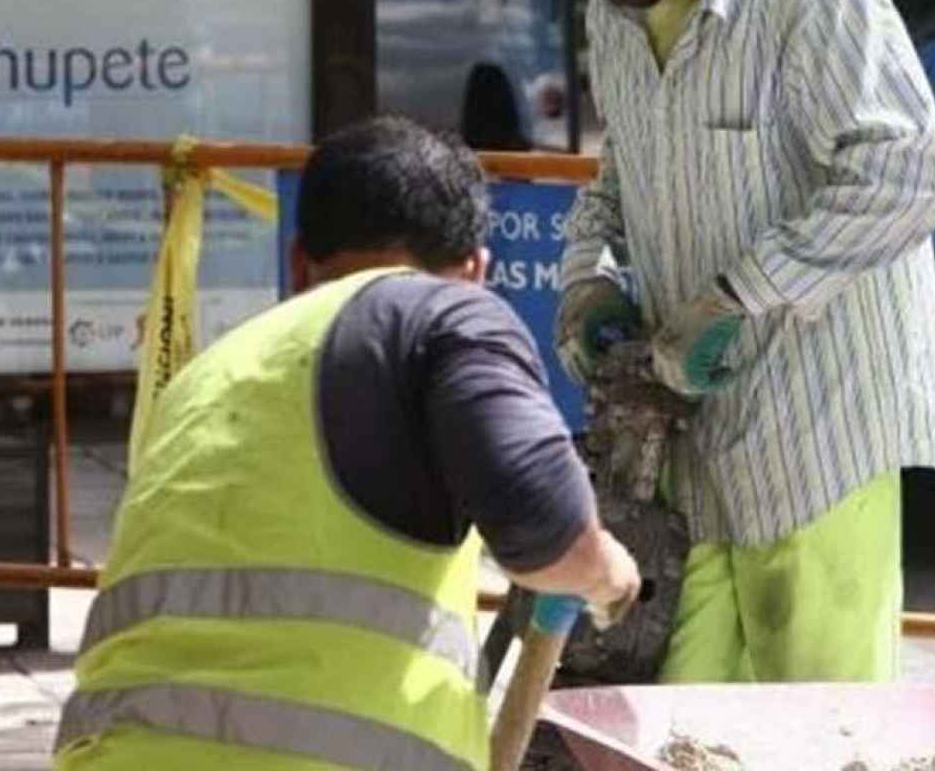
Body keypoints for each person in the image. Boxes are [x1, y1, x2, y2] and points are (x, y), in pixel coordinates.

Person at [517, 0, 935, 684]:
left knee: (820, 720)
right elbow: (620, 179)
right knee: (682, 719)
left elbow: (908, 174)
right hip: (690, 448)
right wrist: (587, 281)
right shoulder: (618, 15)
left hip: (821, 429)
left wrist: (740, 294)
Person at [52, 115, 639, 771]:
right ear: (475, 269)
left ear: (299, 261)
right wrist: (607, 573)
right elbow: (547, 532)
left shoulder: (205, 379)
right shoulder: (444, 313)